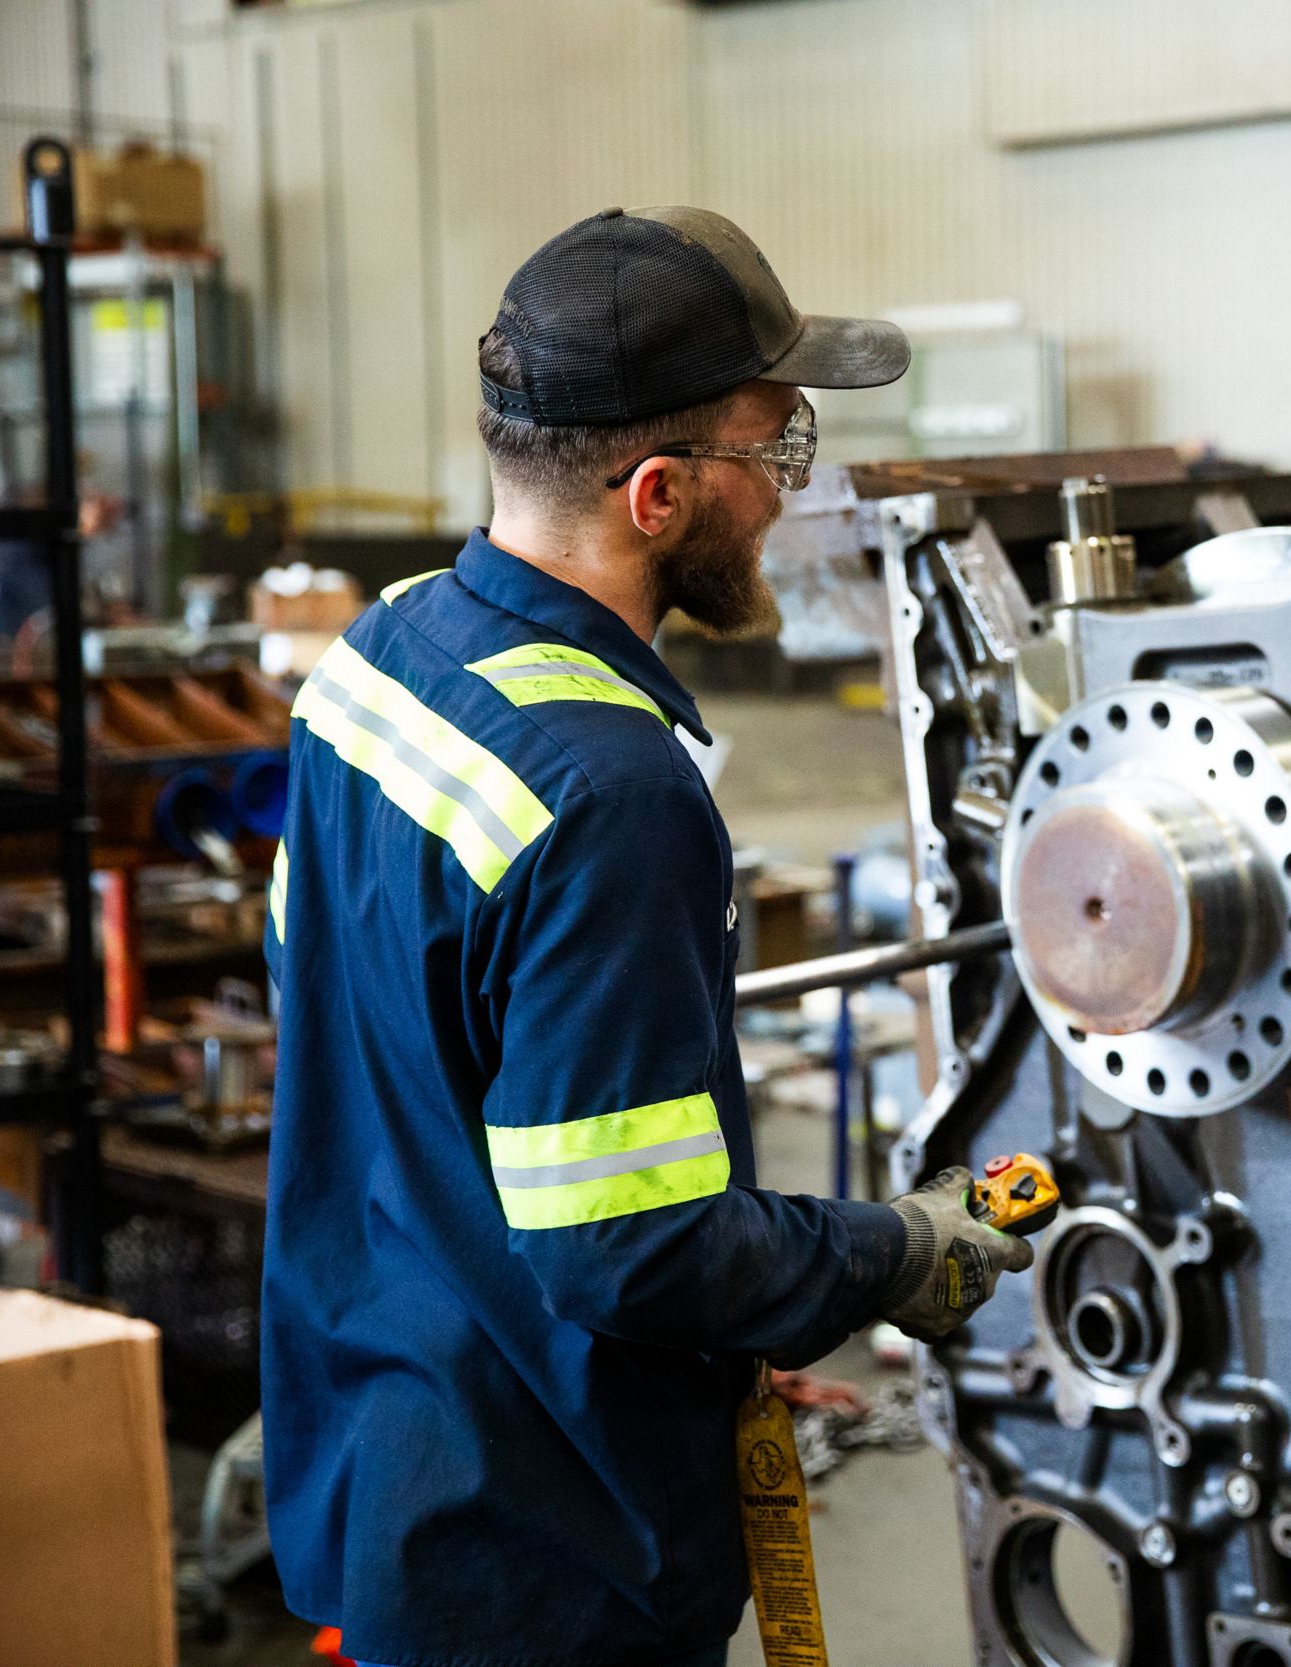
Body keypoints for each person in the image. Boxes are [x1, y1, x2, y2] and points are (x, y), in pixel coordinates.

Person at [259, 207, 1034, 1667]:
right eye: (776, 449)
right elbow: (629, 1247)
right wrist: (886, 1253)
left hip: (388, 1443)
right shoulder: (609, 791)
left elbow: (347, 1008)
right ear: (659, 495)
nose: (791, 494)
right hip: (551, 1550)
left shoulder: (382, 654)